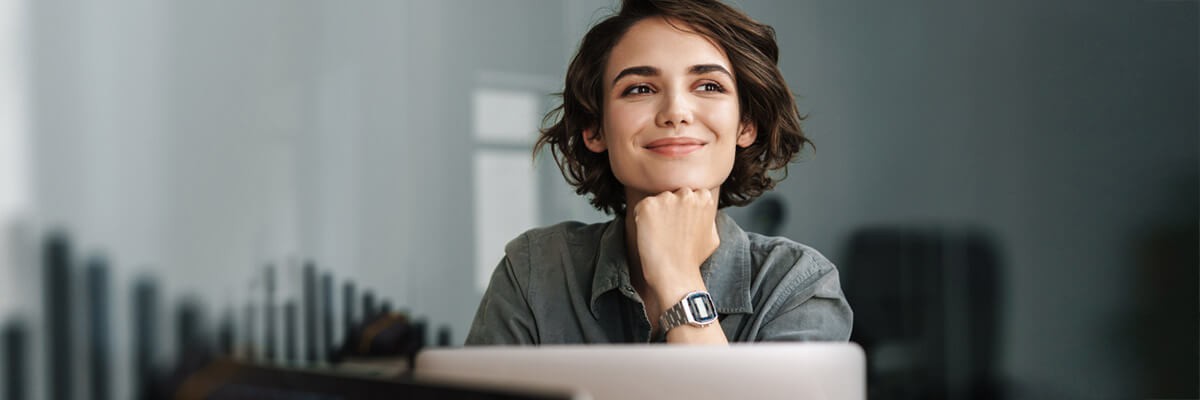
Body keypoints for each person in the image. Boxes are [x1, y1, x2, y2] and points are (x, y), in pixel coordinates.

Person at [465, 0, 852, 345]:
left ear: (745, 125)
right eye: (640, 89)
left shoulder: (799, 286)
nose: (675, 112)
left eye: (708, 86)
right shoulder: (533, 271)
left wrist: (677, 277)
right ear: (595, 129)